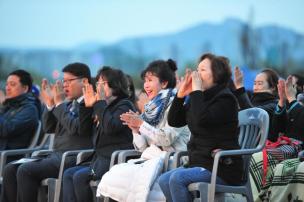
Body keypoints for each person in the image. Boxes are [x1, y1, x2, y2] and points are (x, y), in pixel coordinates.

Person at [97, 59, 190, 202]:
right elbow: (142, 148)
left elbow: (166, 139)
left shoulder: (176, 105)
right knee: (116, 176)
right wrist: (135, 130)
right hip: (153, 158)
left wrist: (141, 125)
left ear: (164, 83)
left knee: (125, 179)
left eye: (150, 80)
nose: (146, 85)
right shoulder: (151, 108)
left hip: (174, 159)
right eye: (145, 81)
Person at [1, 62, 93, 202]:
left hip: (73, 157)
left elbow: (75, 128)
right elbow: (48, 128)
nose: (65, 85)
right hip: (56, 156)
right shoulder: (67, 103)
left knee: (26, 170)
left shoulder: (89, 103)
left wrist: (59, 104)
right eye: (64, 81)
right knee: (10, 169)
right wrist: (50, 104)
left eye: (69, 81)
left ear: (85, 81)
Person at [158, 53, 244, 202]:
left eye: (203, 70)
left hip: (222, 167)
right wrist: (180, 95)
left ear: (216, 75)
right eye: (197, 69)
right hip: (200, 162)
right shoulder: (199, 98)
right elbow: (174, 121)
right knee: (164, 180)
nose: (197, 74)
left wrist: (196, 91)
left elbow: (201, 120)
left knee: (177, 179)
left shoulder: (225, 99)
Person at [62, 66, 136, 202]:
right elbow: (84, 130)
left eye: (103, 84)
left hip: (115, 160)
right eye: (98, 84)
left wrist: (99, 103)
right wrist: (86, 105)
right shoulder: (102, 106)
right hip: (99, 160)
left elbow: (110, 127)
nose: (99, 87)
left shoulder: (125, 105)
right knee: (68, 174)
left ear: (115, 85)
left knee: (79, 177)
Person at [233, 67, 279, 141]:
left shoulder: (274, 105)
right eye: (254, 83)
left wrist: (239, 86)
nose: (255, 87)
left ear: (273, 87)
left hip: (257, 148)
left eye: (259, 84)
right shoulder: (250, 99)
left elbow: (252, 114)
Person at [0, 69, 41, 151]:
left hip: (8, 156)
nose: (7, 88)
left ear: (25, 88)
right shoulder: (10, 105)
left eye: (12, 84)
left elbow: (6, 130)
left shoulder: (30, 109)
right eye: (7, 84)